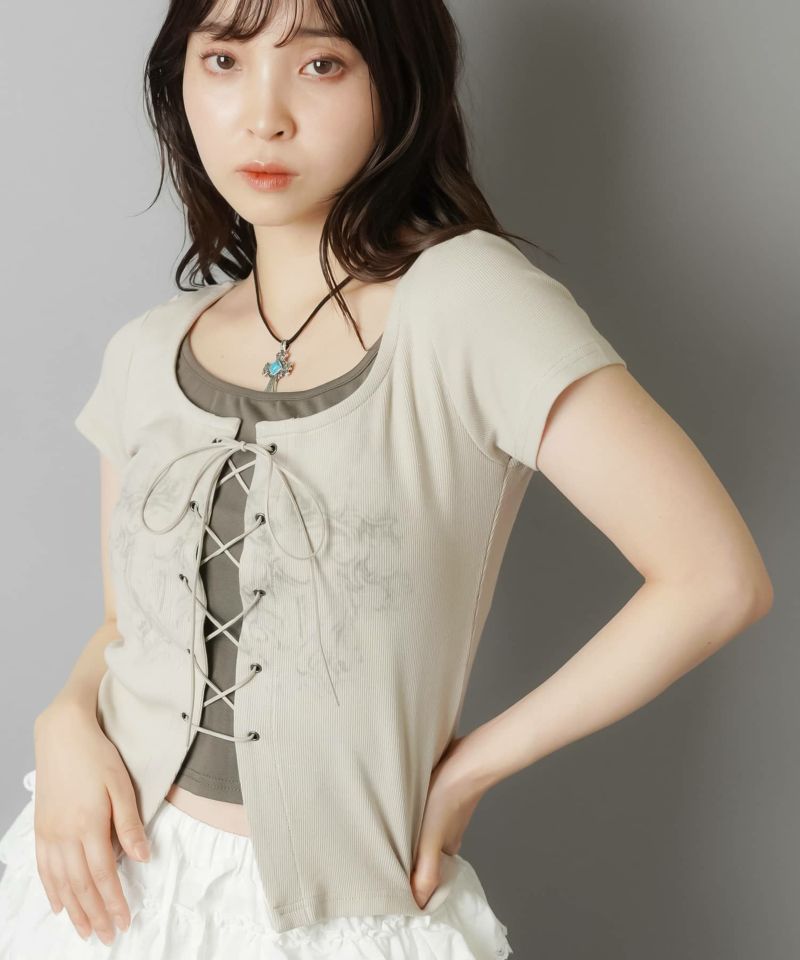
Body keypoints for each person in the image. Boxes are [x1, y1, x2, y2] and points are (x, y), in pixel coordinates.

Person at [0, 0, 774, 956]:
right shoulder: (146, 350)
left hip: (340, 914)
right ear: (180, 84)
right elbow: (125, 628)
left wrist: (470, 771)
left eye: (320, 65)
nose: (264, 116)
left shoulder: (468, 301)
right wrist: (63, 725)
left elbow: (715, 579)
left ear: (397, 86)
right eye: (225, 60)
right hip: (101, 887)